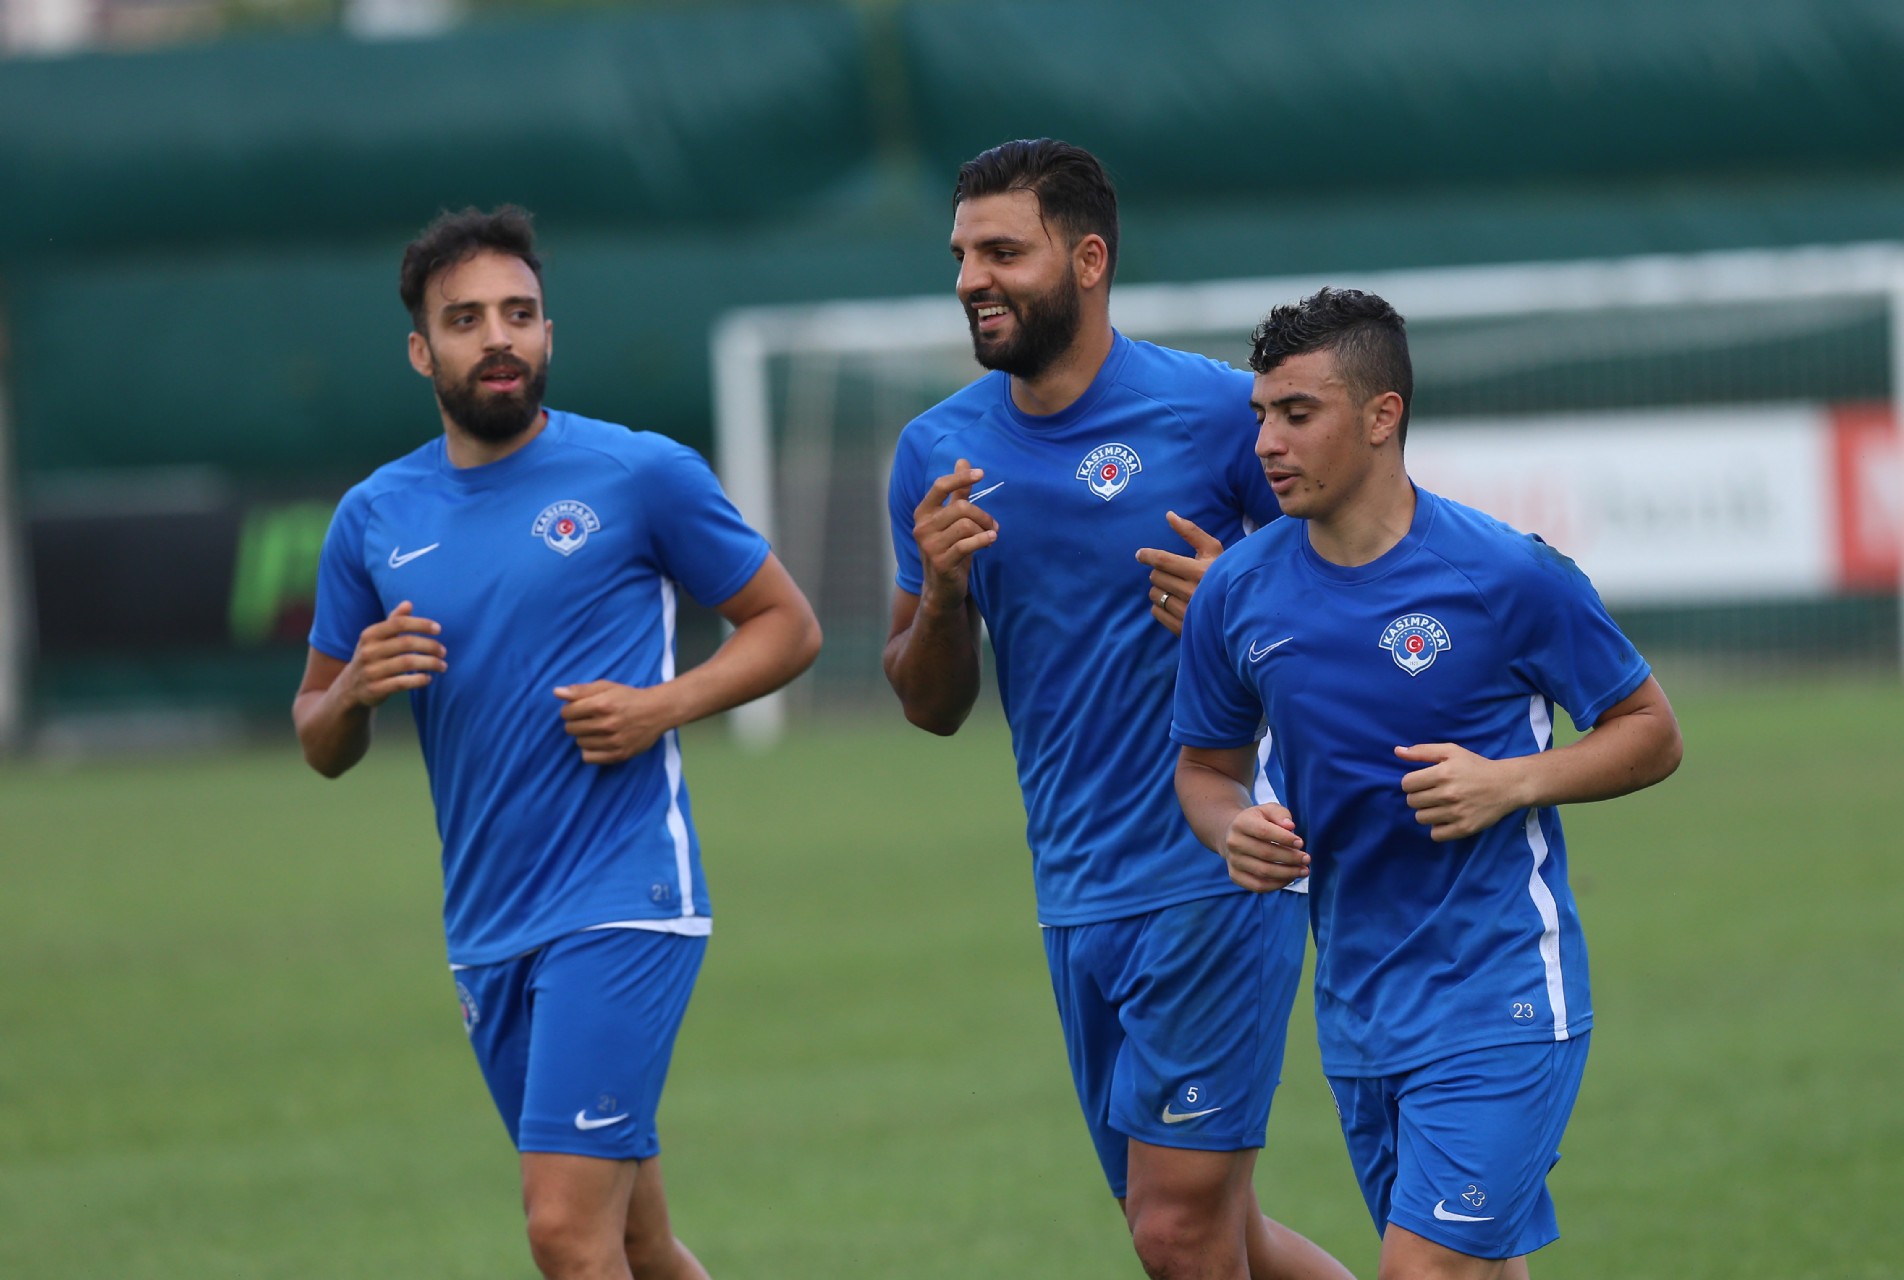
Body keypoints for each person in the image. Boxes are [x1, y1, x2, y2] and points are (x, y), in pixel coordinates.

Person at [293, 205, 820, 1280]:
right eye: (466, 318)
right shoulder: (374, 517)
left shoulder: (638, 473)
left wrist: (660, 705)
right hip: (488, 922)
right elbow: (317, 735)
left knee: (565, 1233)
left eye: (520, 313)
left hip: (624, 895)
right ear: (421, 350)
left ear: (547, 332)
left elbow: (788, 624)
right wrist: (352, 690)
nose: (499, 337)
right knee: (635, 1241)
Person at [884, 139, 1353, 1280]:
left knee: (1177, 1232)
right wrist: (941, 595)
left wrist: (1236, 607)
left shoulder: (1219, 414)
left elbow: (1363, 601)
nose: (972, 280)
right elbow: (928, 704)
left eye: (1004, 252)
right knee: (1217, 1231)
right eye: (962, 255)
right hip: (1075, 891)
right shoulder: (937, 451)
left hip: (1221, 864)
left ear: (1088, 260)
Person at [1170, 287, 1684, 1280]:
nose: (1268, 442)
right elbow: (1204, 769)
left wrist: (1511, 782)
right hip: (1359, 1007)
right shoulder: (1237, 589)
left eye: (1298, 413)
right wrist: (1231, 828)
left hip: (1502, 990)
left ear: (1382, 416)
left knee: (1421, 1269)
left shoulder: (1507, 575)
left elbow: (1651, 731)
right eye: (1262, 415)